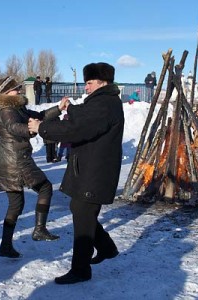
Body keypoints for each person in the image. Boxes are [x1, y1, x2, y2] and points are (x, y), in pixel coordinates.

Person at [28, 62, 124, 284]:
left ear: (103, 82)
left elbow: (80, 128)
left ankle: (81, 270)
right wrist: (70, 108)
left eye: (89, 83)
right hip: (91, 168)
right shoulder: (102, 102)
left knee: (82, 213)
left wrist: (41, 128)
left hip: (96, 171)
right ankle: (107, 247)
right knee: (80, 209)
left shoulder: (105, 105)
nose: (86, 88)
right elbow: (85, 115)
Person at [0, 76, 66, 258]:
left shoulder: (16, 107)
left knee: (16, 205)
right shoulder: (7, 108)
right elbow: (14, 127)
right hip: (16, 160)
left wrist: (58, 108)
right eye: (16, 88)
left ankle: (5, 246)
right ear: (7, 92)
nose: (20, 90)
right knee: (45, 188)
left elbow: (39, 117)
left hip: (10, 159)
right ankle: (39, 229)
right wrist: (31, 129)